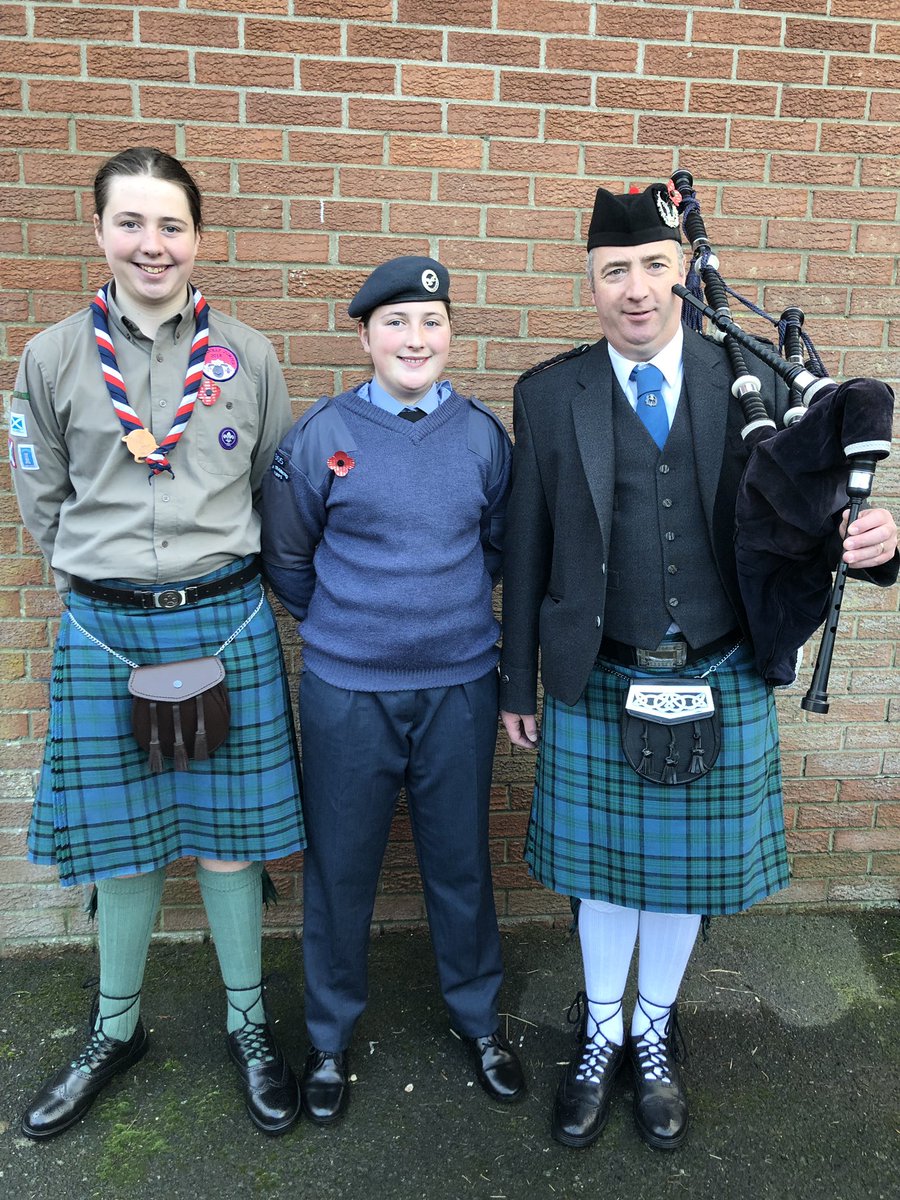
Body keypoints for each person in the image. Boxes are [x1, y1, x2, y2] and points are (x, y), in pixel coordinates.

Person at [498, 183, 898, 1151]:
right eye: (612, 272)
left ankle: (650, 1034)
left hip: (716, 665)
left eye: (652, 267)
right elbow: (526, 545)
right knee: (604, 881)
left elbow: (817, 514)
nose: (634, 290)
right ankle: (599, 1034)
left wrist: (876, 539)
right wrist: (518, 681)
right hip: (599, 670)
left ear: (683, 272)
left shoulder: (750, 375)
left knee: (677, 879)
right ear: (590, 283)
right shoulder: (551, 395)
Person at [11, 147, 305, 1139]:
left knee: (233, 848)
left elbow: (272, 483)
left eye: (170, 225)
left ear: (198, 239)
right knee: (122, 852)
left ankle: (250, 1024)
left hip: (227, 620)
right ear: (97, 232)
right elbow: (41, 498)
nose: (151, 243)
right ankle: (115, 1029)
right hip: (105, 631)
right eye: (130, 222)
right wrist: (105, 588)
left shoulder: (250, 356)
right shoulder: (50, 358)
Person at [259, 255, 525, 1124]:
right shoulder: (320, 435)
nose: (416, 339)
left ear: (451, 335)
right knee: (340, 868)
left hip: (458, 688)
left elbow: (495, 549)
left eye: (433, 323)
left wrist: (435, 618)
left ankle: (480, 1021)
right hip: (347, 690)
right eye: (397, 324)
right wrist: (351, 624)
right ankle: (329, 1040)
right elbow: (288, 559)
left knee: (460, 865)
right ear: (366, 335)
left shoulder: (484, 438)